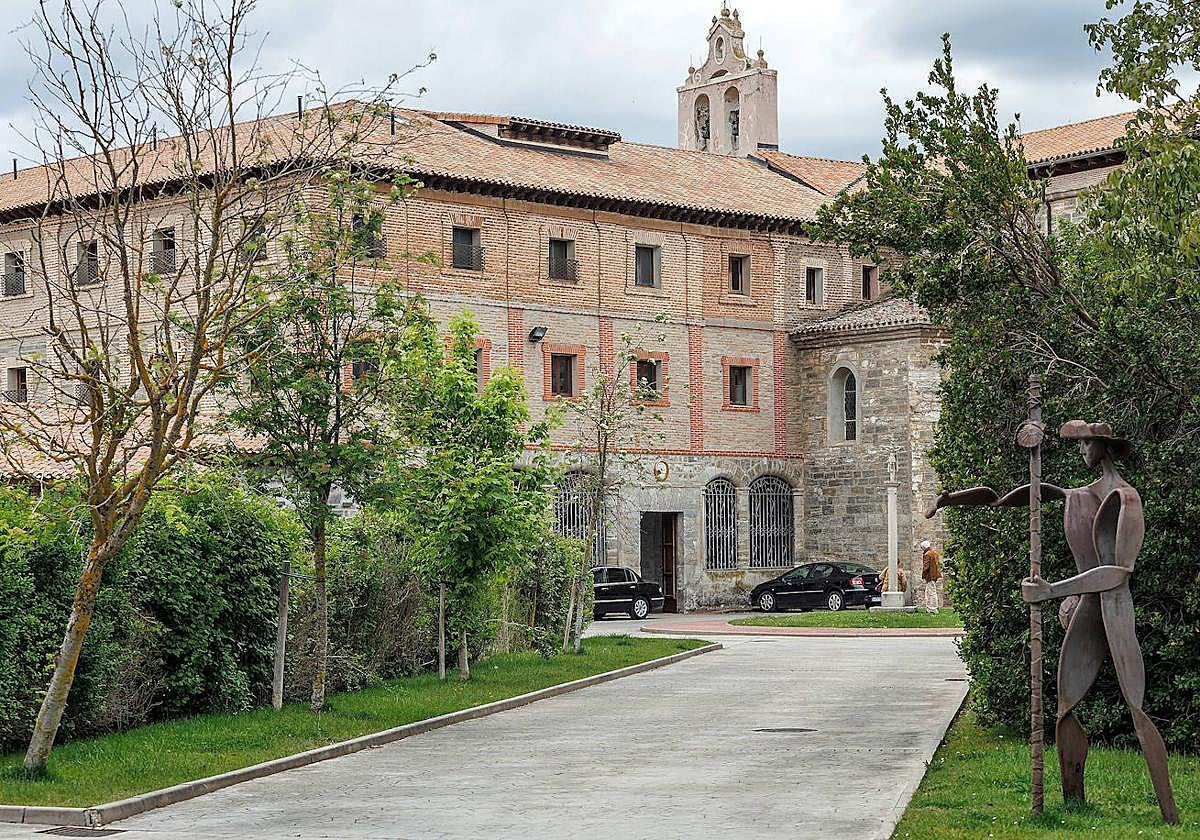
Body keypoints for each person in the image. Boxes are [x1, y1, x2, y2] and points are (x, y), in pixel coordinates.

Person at [925, 419, 1178, 824]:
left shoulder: (1126, 498)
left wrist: (1052, 591)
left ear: (1104, 447)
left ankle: (1169, 812)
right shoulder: (1080, 495)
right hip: (1087, 610)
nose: (1081, 451)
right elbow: (1015, 498)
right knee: (1065, 707)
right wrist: (952, 500)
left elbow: (1119, 571)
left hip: (1114, 609)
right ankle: (1073, 802)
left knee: (1136, 706)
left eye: (1086, 444)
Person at [921, 540, 942, 613]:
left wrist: (923, 575)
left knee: (931, 592)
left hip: (930, 575)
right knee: (928, 592)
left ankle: (933, 608)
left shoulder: (927, 554)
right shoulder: (934, 553)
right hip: (934, 574)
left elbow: (926, 567)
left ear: (924, 547)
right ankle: (929, 608)